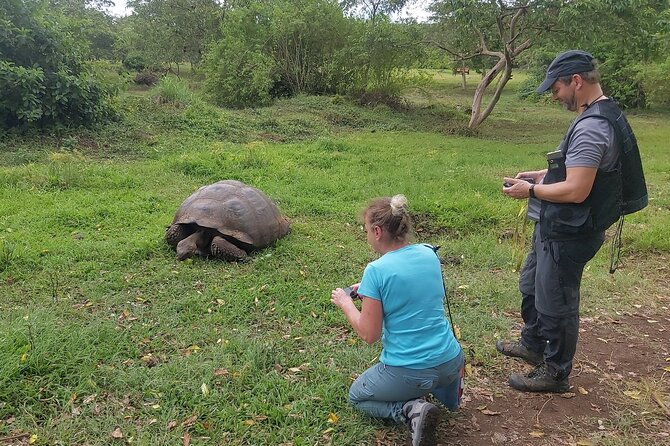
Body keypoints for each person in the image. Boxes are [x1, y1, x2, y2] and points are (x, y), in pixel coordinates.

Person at [499, 50, 647, 393]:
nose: (554, 95)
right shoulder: (598, 112)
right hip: (557, 225)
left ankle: (555, 372)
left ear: (576, 81)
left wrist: (532, 190)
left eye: (556, 88)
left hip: (571, 230)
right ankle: (533, 344)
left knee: (556, 302)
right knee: (532, 286)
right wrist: (541, 174)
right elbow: (581, 170)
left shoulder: (594, 126)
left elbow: (578, 189)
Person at [331, 195, 464, 446]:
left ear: (378, 231)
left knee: (357, 397)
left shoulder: (376, 270)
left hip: (410, 372)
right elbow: (412, 285)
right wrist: (371, 291)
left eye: (367, 230)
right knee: (435, 368)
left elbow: (369, 335)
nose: (367, 235)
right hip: (450, 362)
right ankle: (445, 392)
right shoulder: (428, 253)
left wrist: (346, 303)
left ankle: (410, 410)